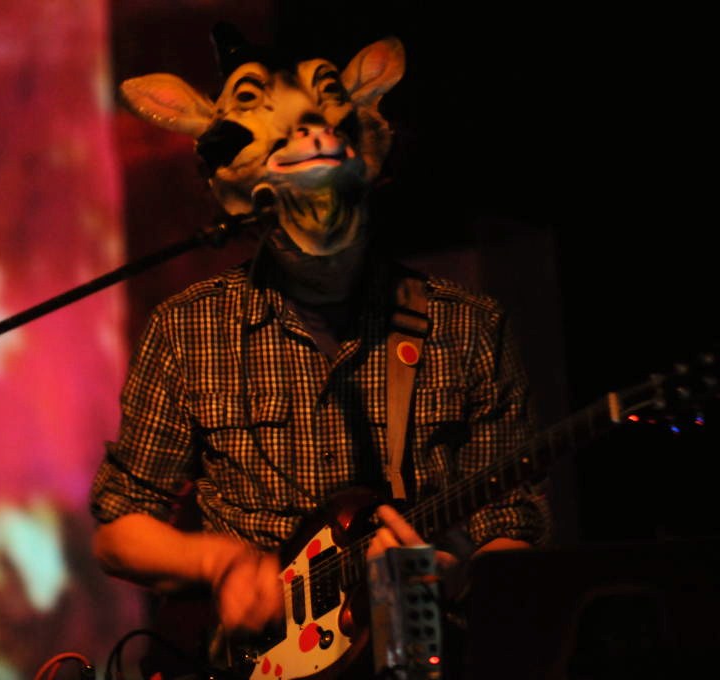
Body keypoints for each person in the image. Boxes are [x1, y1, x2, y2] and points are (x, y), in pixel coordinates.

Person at [89, 23, 548, 677]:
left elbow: (513, 521)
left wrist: (460, 575)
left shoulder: (468, 326)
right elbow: (119, 527)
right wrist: (221, 562)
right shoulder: (187, 329)